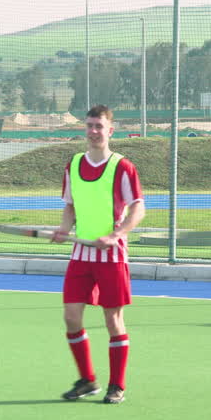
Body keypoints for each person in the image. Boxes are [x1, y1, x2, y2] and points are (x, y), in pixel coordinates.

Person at [52, 105, 147, 404]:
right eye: (90, 125)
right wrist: (64, 229)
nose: (93, 131)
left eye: (99, 126)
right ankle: (87, 380)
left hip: (112, 257)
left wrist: (116, 235)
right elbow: (70, 205)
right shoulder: (73, 164)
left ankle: (116, 385)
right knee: (71, 317)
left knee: (113, 320)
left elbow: (138, 208)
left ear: (110, 131)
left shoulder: (122, 166)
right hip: (81, 255)